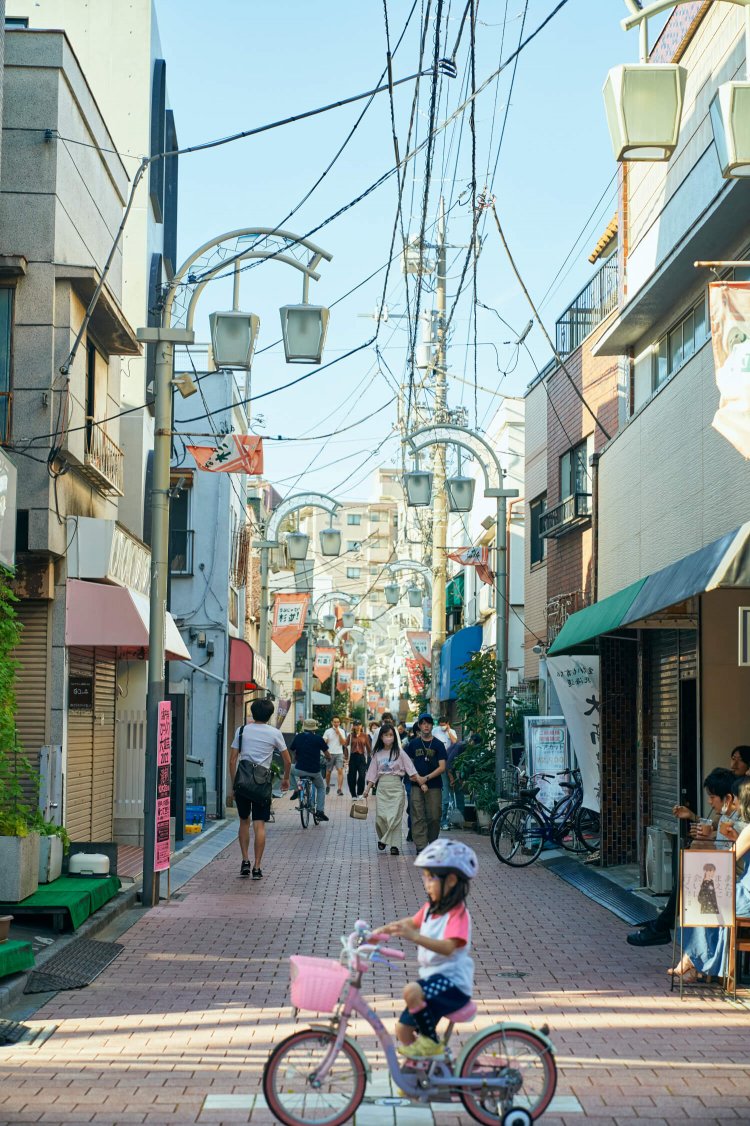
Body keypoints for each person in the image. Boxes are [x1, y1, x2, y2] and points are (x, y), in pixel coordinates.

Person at [380, 839, 478, 1059]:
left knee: (411, 991)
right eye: (424, 877)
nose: (426, 884)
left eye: (431, 878)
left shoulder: (458, 914)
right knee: (403, 1030)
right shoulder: (430, 909)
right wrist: (379, 932)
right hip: (433, 981)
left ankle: (431, 1044)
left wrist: (415, 937)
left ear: (451, 880)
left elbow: (448, 947)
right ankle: (429, 1071)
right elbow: (409, 923)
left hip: (453, 985)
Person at [627, 766, 736, 946]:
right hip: (722, 874)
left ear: (728, 798)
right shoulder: (724, 816)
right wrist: (694, 820)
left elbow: (730, 851)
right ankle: (665, 924)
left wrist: (707, 840)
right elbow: (715, 834)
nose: (710, 802)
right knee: (688, 874)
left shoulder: (738, 821)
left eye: (712, 797)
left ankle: (664, 926)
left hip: (729, 880)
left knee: (689, 879)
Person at [670, 777, 750, 982]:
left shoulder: (748, 830)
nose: (734, 804)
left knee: (701, 899)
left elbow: (728, 860)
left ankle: (694, 961)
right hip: (744, 890)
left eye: (736, 799)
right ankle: (696, 962)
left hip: (747, 896)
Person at [229, 697, 291, 880]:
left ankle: (245, 861)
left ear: (252, 713)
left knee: (243, 821)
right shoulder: (274, 733)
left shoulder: (242, 731)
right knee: (259, 824)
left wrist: (234, 785)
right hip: (262, 784)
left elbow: (232, 760)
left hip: (243, 783)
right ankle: (257, 867)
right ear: (270, 715)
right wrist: (286, 779)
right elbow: (288, 760)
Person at [363, 723, 423, 855]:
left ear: (394, 737)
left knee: (394, 817)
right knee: (380, 818)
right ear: (381, 737)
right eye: (386, 735)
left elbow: (411, 769)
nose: (388, 737)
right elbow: (372, 774)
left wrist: (421, 783)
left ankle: (393, 845)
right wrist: (367, 789)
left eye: (391, 735)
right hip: (382, 788)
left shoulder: (400, 753)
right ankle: (384, 839)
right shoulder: (377, 754)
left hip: (396, 787)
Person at [406, 713, 447, 850]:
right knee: (418, 816)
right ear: (419, 726)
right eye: (423, 723)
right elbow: (409, 765)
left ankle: (432, 842)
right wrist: (418, 779)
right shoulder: (413, 744)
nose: (426, 726)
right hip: (416, 785)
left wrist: (426, 778)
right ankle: (421, 846)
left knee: (434, 816)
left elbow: (442, 767)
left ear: (432, 725)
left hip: (434, 786)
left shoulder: (438, 744)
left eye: (428, 723)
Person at [289, 719, 331, 823]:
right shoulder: (318, 738)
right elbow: (327, 754)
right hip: (314, 771)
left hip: (299, 769)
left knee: (288, 768)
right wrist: (329, 758)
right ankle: (320, 811)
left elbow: (292, 750)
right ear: (314, 729)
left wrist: (295, 757)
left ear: (304, 728)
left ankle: (296, 789)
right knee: (321, 787)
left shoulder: (298, 737)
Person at [434, 716, 458, 831]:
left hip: (446, 765)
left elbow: (455, 743)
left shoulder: (451, 732)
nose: (442, 727)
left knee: (445, 795)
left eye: (444, 724)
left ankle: (443, 821)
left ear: (448, 723)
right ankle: (437, 820)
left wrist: (448, 731)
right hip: (435, 765)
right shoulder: (435, 731)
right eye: (441, 725)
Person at [323, 716, 348, 796]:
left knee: (340, 770)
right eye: (334, 722)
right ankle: (327, 786)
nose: (336, 723)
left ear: (339, 723)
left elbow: (343, 743)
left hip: (339, 753)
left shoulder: (342, 731)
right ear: (332, 722)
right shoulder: (327, 731)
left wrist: (339, 733)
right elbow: (324, 742)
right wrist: (325, 742)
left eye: (337, 722)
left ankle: (339, 789)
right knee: (328, 772)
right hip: (330, 753)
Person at [346, 720, 370, 798]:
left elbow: (368, 748)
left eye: (359, 725)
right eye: (356, 725)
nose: (357, 726)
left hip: (361, 757)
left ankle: (360, 793)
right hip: (352, 757)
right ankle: (353, 794)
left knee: (362, 775)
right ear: (353, 726)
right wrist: (346, 758)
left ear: (361, 726)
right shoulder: (350, 736)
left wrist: (370, 757)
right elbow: (345, 746)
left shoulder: (365, 735)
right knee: (351, 776)